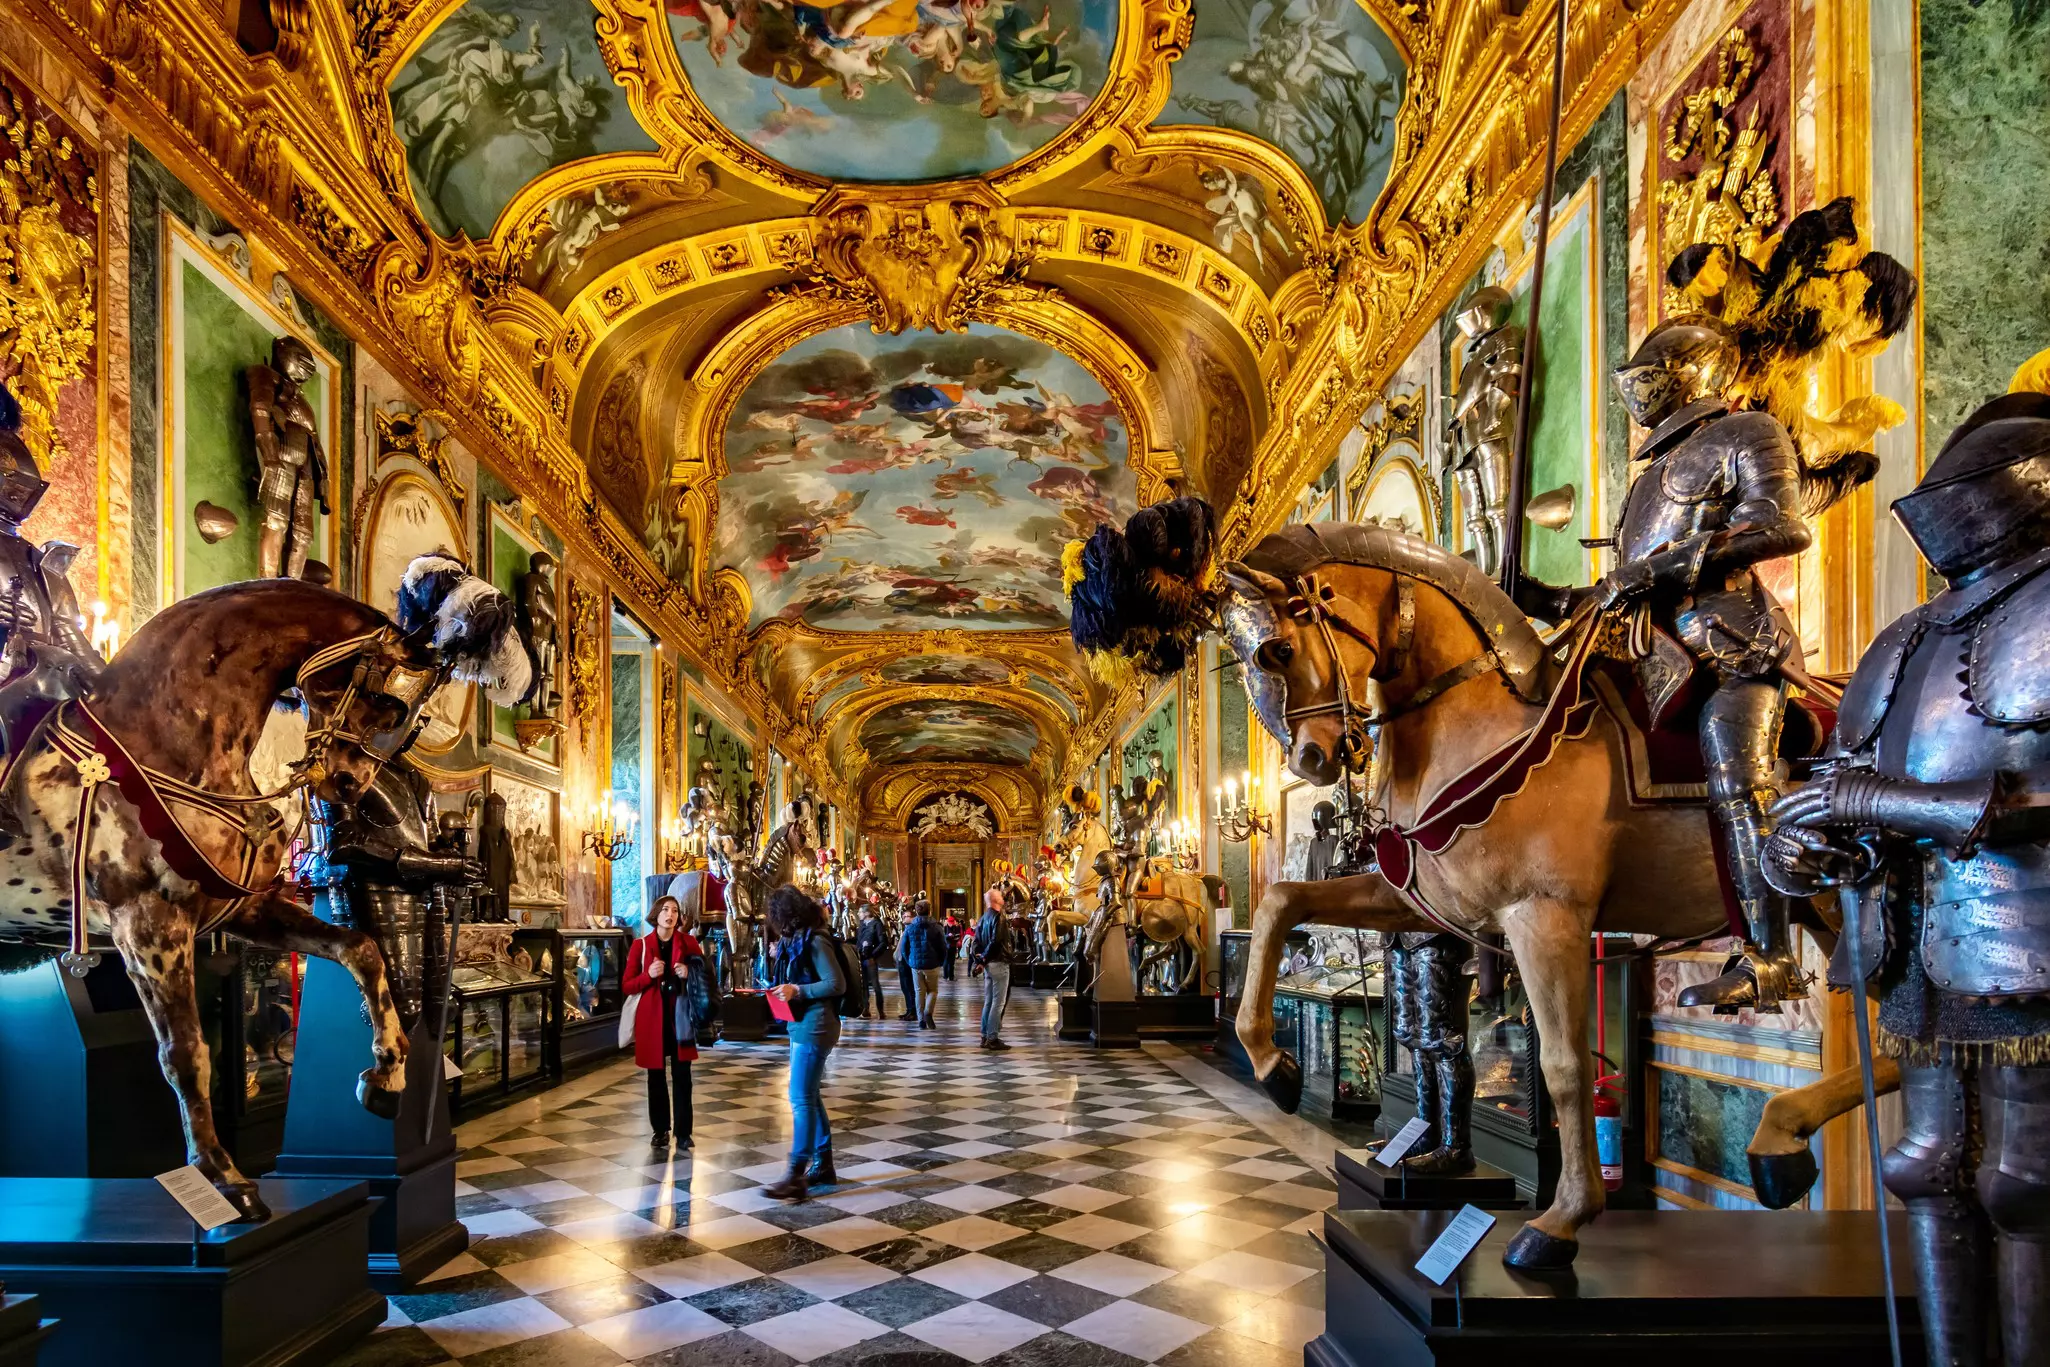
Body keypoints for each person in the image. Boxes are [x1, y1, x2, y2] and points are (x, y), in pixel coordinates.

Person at [762, 885, 845, 1201]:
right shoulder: (800, 938)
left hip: (816, 1024)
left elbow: (836, 983)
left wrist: (799, 990)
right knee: (809, 1095)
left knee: (799, 1097)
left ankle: (796, 1174)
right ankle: (823, 1163)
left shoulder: (816, 939)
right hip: (804, 1025)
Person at [623, 887, 715, 1152]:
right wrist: (648, 975)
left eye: (674, 911)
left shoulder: (688, 943)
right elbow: (628, 985)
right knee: (655, 1076)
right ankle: (660, 1130)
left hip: (681, 1018)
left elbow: (705, 974)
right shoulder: (640, 946)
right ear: (656, 914)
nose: (670, 915)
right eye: (665, 910)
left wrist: (689, 972)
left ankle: (684, 1133)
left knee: (683, 1076)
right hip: (652, 1020)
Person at [969, 887, 1014, 1050]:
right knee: (998, 1003)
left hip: (988, 965)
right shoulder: (999, 918)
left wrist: (980, 961)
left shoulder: (982, 918)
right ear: (996, 900)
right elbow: (995, 942)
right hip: (999, 962)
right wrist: (985, 958)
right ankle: (993, 1038)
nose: (1003, 898)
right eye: (1001, 897)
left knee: (989, 1001)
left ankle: (984, 1035)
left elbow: (977, 942)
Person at [898, 897, 948, 1029]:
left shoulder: (909, 928)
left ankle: (921, 1020)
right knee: (933, 991)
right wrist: (941, 961)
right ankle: (928, 1012)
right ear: (930, 910)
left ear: (916, 911)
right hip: (932, 964)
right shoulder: (937, 927)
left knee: (919, 991)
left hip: (916, 965)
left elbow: (904, 948)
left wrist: (910, 961)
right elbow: (943, 946)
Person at [854, 899, 888, 1019]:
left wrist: (873, 955)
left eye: (860, 912)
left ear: (867, 913)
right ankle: (865, 1008)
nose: (859, 914)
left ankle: (881, 1010)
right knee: (863, 985)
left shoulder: (877, 924)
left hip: (870, 959)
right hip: (860, 958)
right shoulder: (862, 924)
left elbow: (883, 943)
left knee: (875, 985)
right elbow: (859, 940)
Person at [940, 909, 963, 980]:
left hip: (953, 946)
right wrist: (948, 936)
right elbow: (942, 936)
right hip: (946, 947)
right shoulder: (944, 928)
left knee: (952, 963)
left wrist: (955, 937)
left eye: (952, 922)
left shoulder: (956, 927)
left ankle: (951, 976)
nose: (951, 923)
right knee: (946, 962)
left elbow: (959, 935)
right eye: (950, 922)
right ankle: (945, 976)